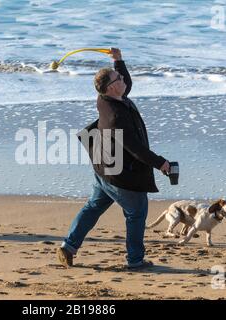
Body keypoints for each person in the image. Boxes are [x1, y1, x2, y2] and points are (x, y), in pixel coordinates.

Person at [57, 48, 170, 269]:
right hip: (120, 174)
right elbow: (136, 149)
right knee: (136, 213)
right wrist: (161, 163)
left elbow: (125, 83)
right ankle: (135, 261)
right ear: (111, 87)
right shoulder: (116, 117)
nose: (123, 80)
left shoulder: (105, 98)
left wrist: (118, 61)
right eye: (118, 78)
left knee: (93, 207)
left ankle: (68, 246)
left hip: (103, 168)